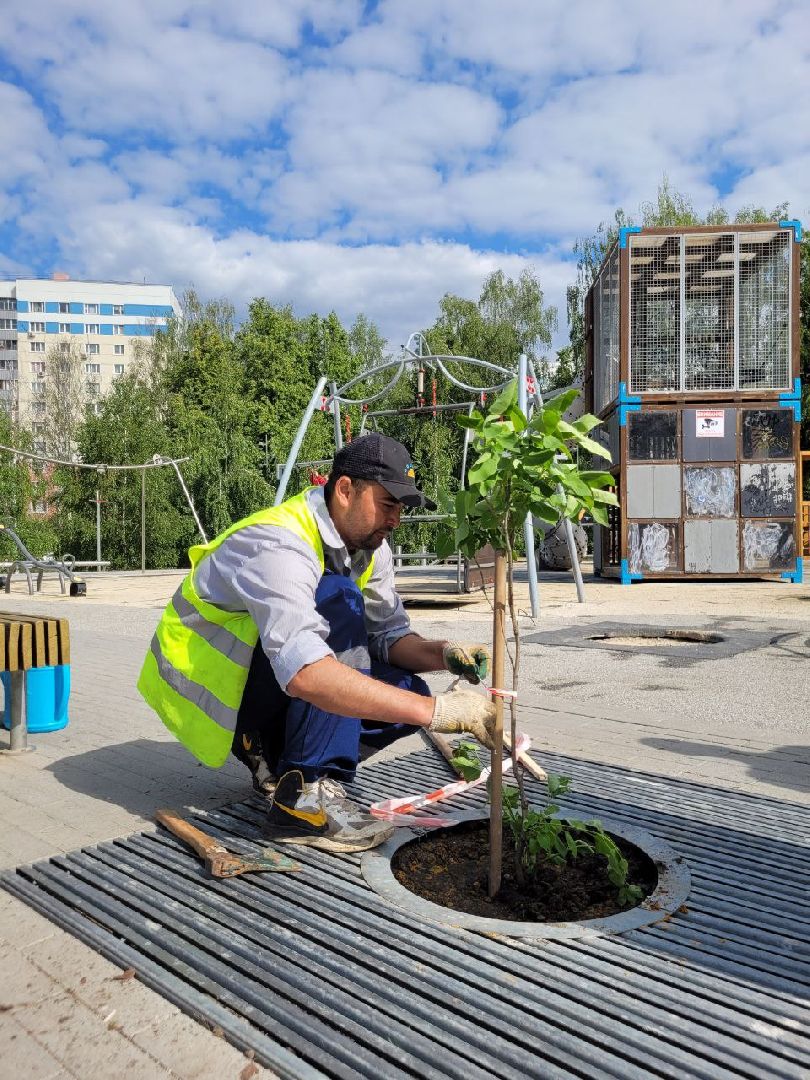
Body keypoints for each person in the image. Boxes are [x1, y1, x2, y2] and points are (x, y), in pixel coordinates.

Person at [138, 433, 496, 853]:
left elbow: (389, 638)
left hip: (272, 678)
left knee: (406, 692)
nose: (396, 519)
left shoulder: (369, 546)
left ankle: (283, 765)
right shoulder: (277, 544)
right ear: (345, 490)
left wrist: (444, 655)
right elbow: (306, 672)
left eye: (400, 509)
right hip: (224, 694)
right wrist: (438, 711)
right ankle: (302, 799)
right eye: (387, 504)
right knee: (341, 602)